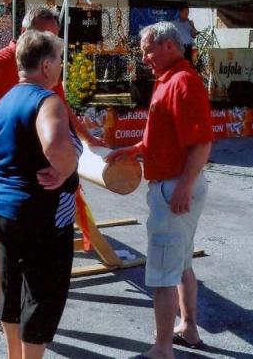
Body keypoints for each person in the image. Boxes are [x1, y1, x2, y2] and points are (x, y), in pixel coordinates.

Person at [0, 6, 104, 329]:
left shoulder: (45, 64)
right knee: (1, 242)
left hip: (33, 173)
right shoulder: (2, 62)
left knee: (22, 246)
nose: (52, 40)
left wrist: (87, 139)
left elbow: (60, 106)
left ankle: (16, 309)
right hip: (2, 169)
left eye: (55, 35)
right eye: (46, 34)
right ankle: (1, 305)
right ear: (25, 33)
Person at [106, 21, 212, 359]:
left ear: (169, 46)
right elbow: (168, 136)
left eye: (148, 51)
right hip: (177, 185)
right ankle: (188, 329)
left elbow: (201, 144)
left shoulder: (181, 82)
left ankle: (163, 349)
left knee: (163, 273)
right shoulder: (171, 79)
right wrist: (137, 148)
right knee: (180, 263)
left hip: (174, 187)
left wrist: (183, 187)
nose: (144, 58)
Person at [0, 30, 81, 358]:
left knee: (11, 290)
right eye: (60, 60)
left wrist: (2, 190)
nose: (62, 66)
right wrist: (67, 166)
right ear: (46, 65)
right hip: (39, 216)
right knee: (41, 297)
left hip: (0, 210)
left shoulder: (3, 102)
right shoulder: (47, 101)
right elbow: (55, 145)